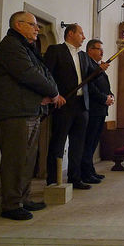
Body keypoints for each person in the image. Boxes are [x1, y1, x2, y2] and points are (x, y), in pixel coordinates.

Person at [0, 11, 62, 220]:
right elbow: (28, 75)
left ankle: (24, 198)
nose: (37, 29)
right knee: (15, 159)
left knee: (28, 159)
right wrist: (53, 93)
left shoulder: (27, 47)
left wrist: (51, 92)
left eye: (37, 26)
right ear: (18, 25)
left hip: (29, 109)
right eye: (32, 25)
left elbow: (43, 73)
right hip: (15, 112)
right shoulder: (11, 46)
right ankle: (11, 205)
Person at [44, 24, 108, 189]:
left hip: (82, 105)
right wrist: (54, 95)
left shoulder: (84, 57)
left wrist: (99, 70)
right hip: (64, 104)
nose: (84, 37)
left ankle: (75, 177)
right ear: (70, 33)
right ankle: (53, 179)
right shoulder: (56, 50)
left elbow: (90, 79)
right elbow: (47, 75)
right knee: (58, 142)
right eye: (81, 33)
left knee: (78, 144)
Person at [81, 39, 114, 183]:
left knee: (94, 142)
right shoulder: (89, 66)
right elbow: (90, 87)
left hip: (101, 110)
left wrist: (111, 96)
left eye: (102, 49)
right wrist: (103, 99)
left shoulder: (97, 67)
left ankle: (90, 170)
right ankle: (85, 172)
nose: (102, 52)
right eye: (98, 49)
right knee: (88, 142)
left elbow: (104, 86)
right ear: (90, 50)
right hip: (93, 109)